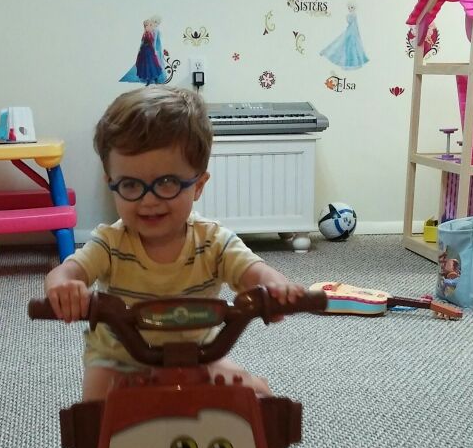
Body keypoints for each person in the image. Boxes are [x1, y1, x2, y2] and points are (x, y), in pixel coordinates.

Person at [44, 85, 306, 401]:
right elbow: (67, 272)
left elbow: (256, 272)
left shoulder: (213, 242)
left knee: (255, 411)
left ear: (198, 185)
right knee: (97, 423)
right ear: (110, 184)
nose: (148, 200)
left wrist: (275, 288)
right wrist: (63, 287)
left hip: (199, 355)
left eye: (167, 182)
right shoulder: (110, 243)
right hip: (119, 359)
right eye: (130, 185)